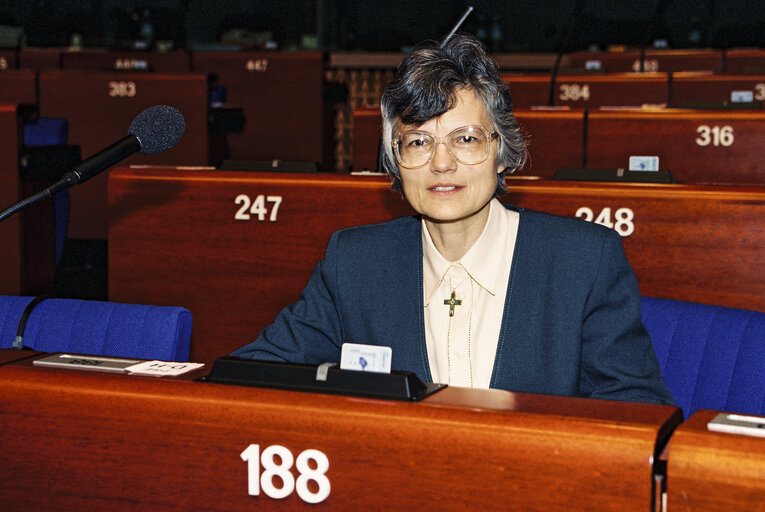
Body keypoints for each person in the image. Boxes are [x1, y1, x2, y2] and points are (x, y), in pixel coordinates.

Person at [233, 33, 673, 405]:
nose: (441, 163)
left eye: (465, 138)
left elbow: (636, 413)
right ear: (396, 161)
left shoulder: (584, 260)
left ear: (502, 153)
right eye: (419, 142)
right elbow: (254, 374)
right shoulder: (354, 262)